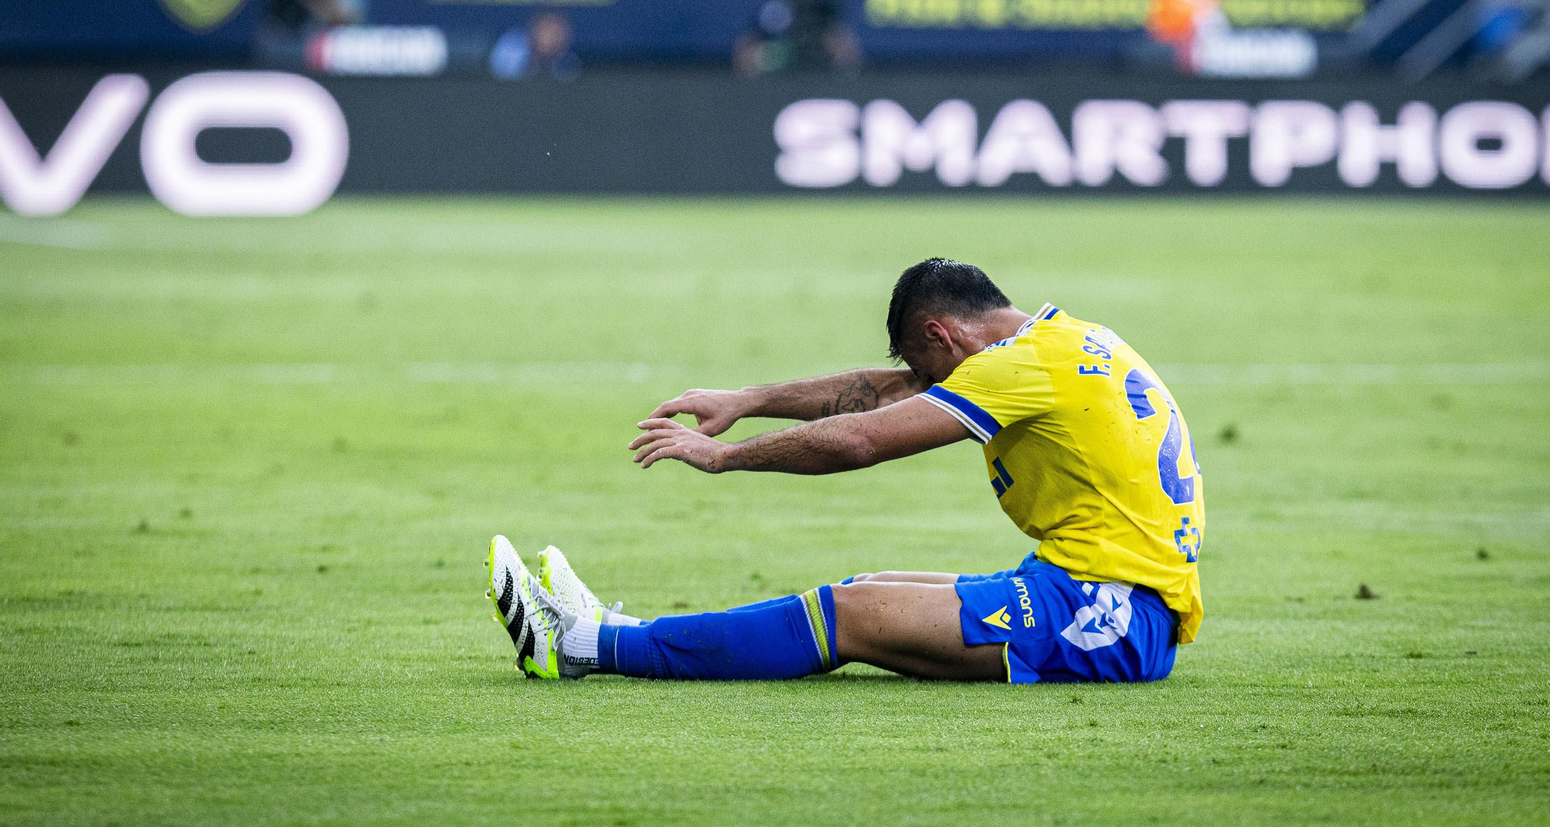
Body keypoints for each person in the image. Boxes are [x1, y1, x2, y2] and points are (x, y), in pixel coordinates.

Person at [486, 259, 1204, 685]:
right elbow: (892, 391)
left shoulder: (1017, 367)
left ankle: (582, 645)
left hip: (1110, 616)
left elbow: (862, 439)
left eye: (927, 367)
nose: (921, 384)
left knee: (848, 616)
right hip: (1093, 588)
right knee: (867, 591)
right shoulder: (1062, 343)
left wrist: (727, 458)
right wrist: (750, 401)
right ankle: (616, 626)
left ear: (940, 334)